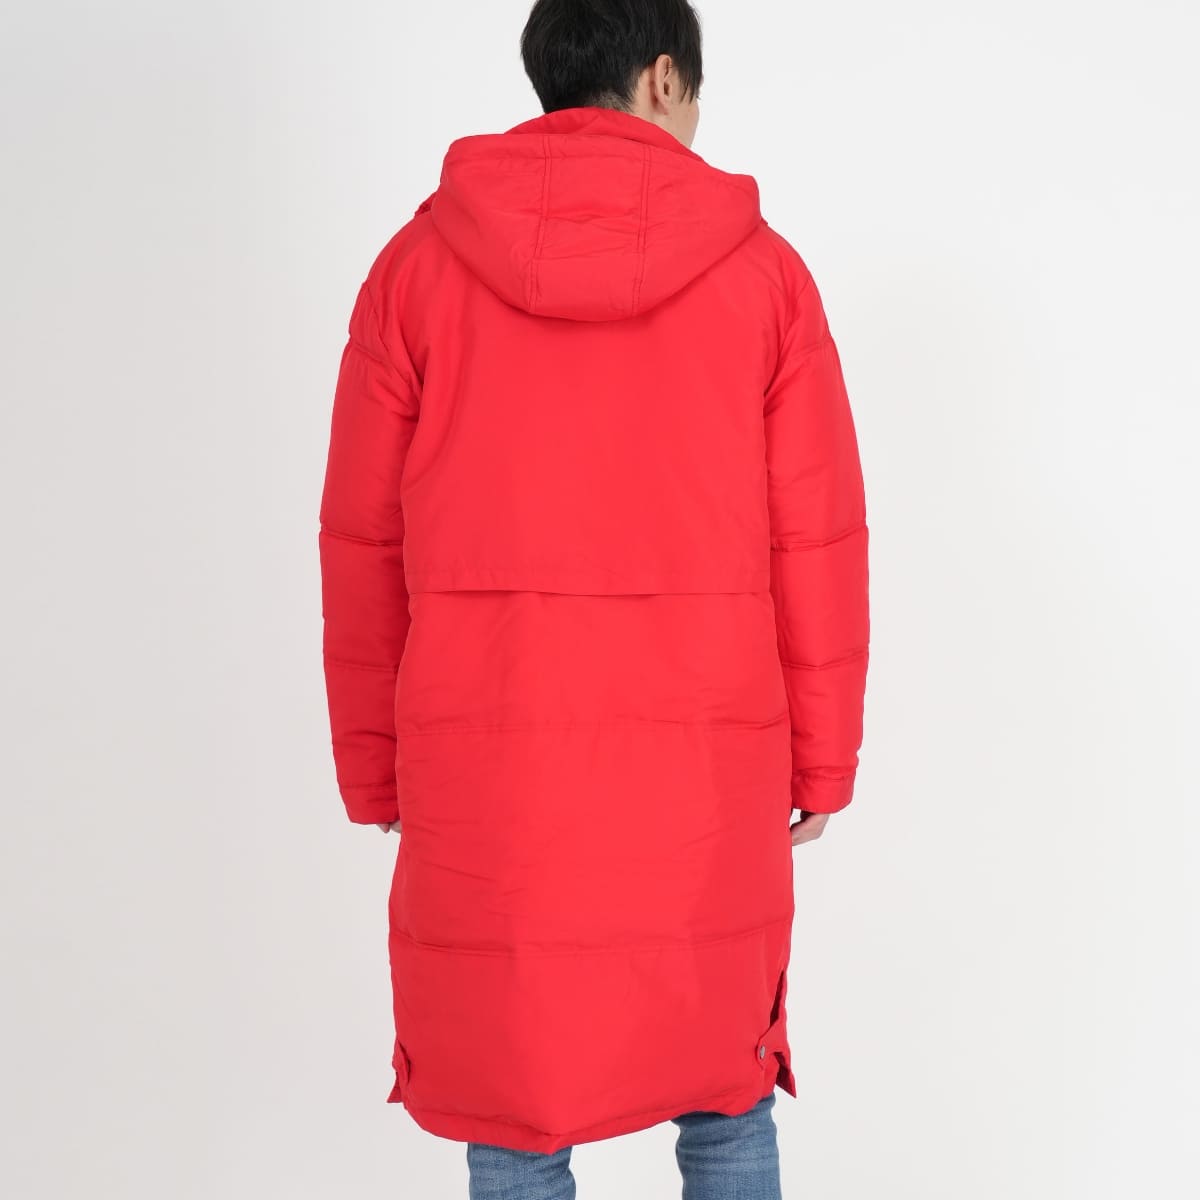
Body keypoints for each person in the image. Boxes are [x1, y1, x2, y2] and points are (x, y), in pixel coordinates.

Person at [317, 1, 870, 1195]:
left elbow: (361, 547)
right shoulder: (766, 278)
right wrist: (823, 761)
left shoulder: (417, 271)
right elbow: (815, 541)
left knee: (515, 1106)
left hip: (491, 774)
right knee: (725, 1096)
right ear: (664, 77)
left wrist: (376, 769)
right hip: (707, 778)